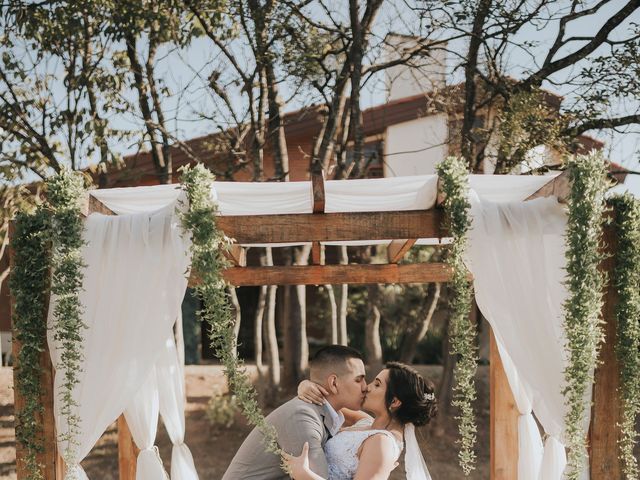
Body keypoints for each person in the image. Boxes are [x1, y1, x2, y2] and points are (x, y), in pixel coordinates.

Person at [222, 345, 367, 479]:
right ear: (334, 383)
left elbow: (373, 424)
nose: (365, 387)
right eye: (359, 380)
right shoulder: (302, 416)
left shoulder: (325, 413)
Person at [283, 362, 437, 480]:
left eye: (377, 384)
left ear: (394, 402)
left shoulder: (383, 443)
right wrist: (306, 385)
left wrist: (305, 475)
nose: (367, 388)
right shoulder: (367, 423)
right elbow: (325, 401)